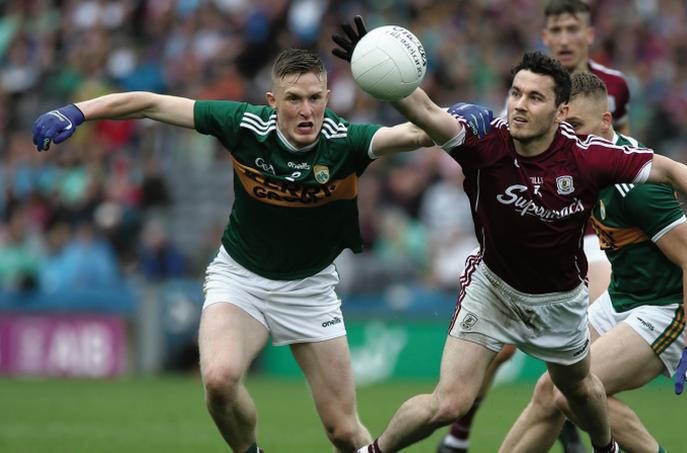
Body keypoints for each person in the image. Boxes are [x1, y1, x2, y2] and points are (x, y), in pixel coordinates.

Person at [331, 19, 687, 453]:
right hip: (493, 287)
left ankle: (604, 446)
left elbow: (671, 169)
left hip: (560, 302)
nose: (520, 105)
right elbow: (424, 111)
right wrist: (378, 69)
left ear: (560, 114)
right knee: (448, 403)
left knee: (577, 390)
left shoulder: (590, 157)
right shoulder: (484, 141)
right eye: (516, 93)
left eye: (535, 97)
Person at [31, 48, 436, 453]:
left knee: (345, 432)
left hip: (311, 290)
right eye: (294, 99)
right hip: (241, 279)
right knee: (220, 381)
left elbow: (418, 132)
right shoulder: (243, 125)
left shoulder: (345, 141)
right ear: (273, 101)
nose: (307, 110)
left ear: (328, 98)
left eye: (315, 98)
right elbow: (151, 104)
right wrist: (78, 110)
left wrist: (462, 119)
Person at [497, 71, 687, 453]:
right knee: (549, 391)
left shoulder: (637, 188)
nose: (570, 138)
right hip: (623, 297)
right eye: (564, 127)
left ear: (606, 121)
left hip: (666, 309)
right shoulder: (576, 167)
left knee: (574, 392)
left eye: (578, 128)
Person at [443, 2, 634, 450]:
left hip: (589, 232)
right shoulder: (533, 85)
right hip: (535, 222)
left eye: (573, 29)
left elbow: (620, 145)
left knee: (586, 341)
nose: (565, 38)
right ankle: (460, 431)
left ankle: (570, 415)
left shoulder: (617, 86)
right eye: (557, 30)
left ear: (590, 34)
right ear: (545, 37)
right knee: (505, 344)